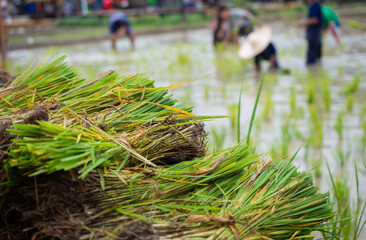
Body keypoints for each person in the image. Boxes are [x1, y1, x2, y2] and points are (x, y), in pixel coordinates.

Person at [299, 0, 323, 66]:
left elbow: (315, 20)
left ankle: (312, 71)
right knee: (317, 57)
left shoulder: (314, 6)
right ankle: (316, 72)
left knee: (311, 59)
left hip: (314, 35)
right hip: (316, 34)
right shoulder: (315, 5)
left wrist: (304, 22)